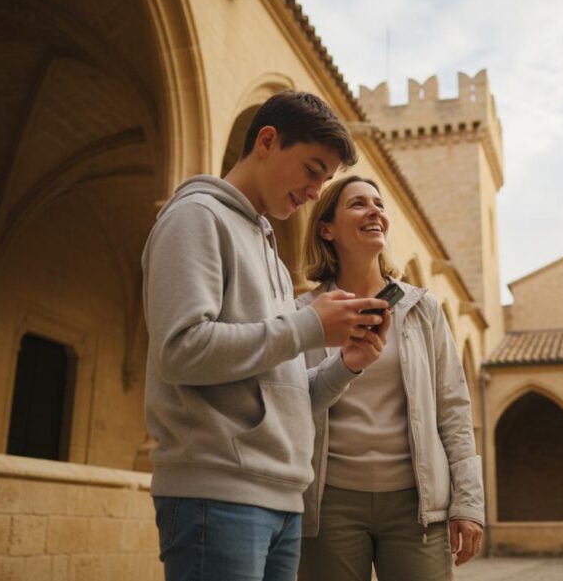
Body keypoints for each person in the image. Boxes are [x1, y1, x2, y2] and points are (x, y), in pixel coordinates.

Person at [142, 91, 393, 581]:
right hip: (217, 496)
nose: (314, 190)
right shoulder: (197, 217)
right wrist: (308, 326)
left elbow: (287, 394)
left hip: (282, 499)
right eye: (312, 169)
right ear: (268, 141)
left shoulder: (272, 254)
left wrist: (347, 364)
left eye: (324, 179)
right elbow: (179, 351)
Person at [296, 175, 485, 581]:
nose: (375, 211)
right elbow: (294, 399)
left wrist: (468, 502)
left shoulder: (422, 308)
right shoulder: (305, 312)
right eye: (358, 204)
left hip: (416, 506)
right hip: (329, 505)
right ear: (326, 229)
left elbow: (453, 407)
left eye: (378, 204)